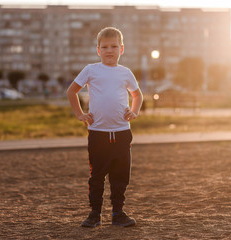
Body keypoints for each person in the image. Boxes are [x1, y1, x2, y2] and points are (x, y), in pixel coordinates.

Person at [66, 27, 143, 228]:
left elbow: (137, 95)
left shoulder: (125, 73)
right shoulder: (91, 70)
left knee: (120, 177)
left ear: (122, 49)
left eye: (114, 46)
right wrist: (79, 114)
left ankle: (118, 214)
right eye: (105, 47)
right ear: (98, 50)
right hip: (98, 134)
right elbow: (71, 91)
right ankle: (94, 215)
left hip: (122, 133)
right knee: (97, 176)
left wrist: (134, 112)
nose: (110, 50)